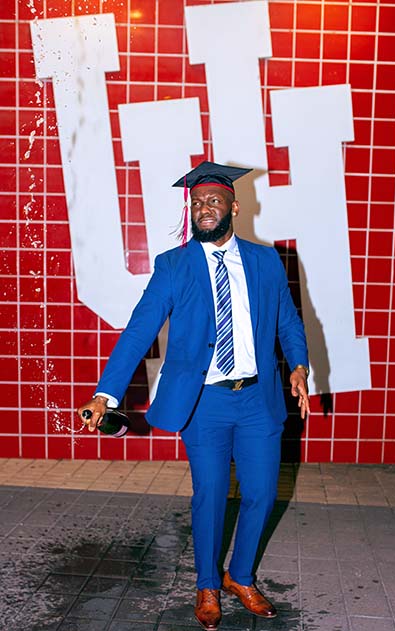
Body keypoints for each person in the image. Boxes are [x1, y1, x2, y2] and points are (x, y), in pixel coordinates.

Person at [77, 161, 310, 630]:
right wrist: (107, 393)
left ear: (234, 207)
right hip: (204, 403)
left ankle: (239, 576)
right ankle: (207, 583)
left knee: (263, 494)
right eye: (198, 203)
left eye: (214, 202)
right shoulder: (173, 265)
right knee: (211, 493)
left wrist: (300, 366)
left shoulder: (266, 261)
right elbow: (139, 330)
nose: (204, 209)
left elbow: (288, 319)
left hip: (256, 399)